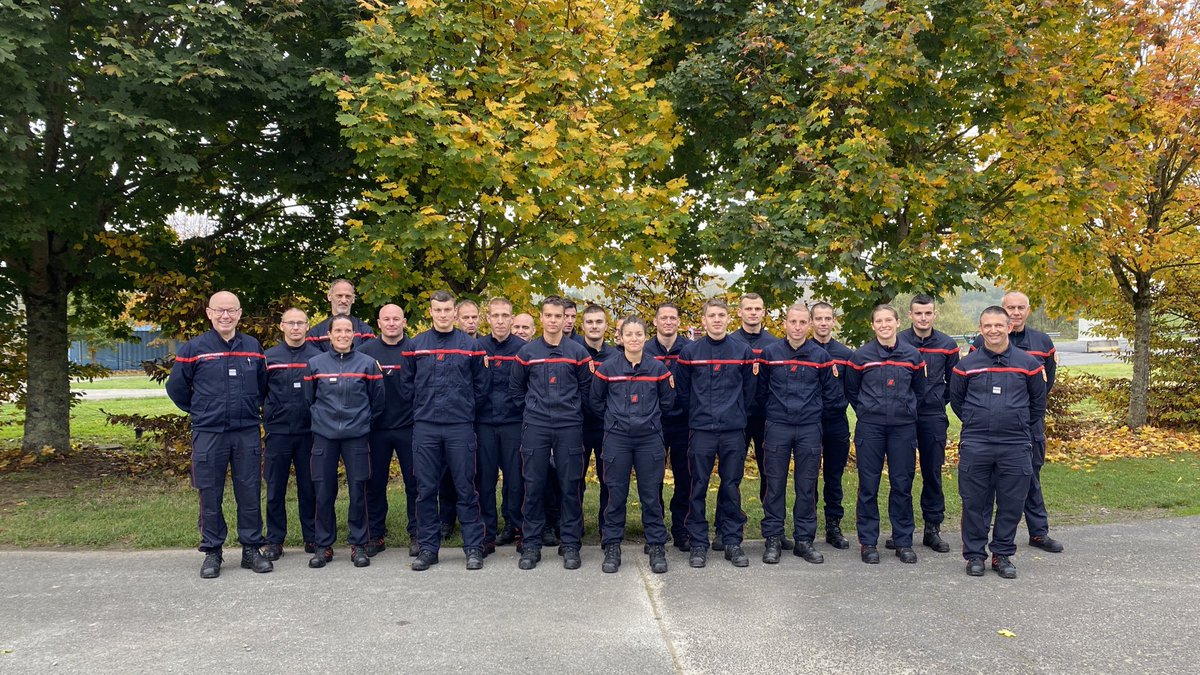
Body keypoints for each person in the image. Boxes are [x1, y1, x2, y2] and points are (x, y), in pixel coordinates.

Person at [167, 291, 273, 579]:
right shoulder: (194, 348)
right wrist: (201, 411)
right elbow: (176, 388)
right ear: (209, 313)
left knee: (249, 490)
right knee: (209, 492)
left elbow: (263, 385)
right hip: (209, 432)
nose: (226, 316)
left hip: (246, 431)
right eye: (220, 311)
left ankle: (251, 549)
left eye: (231, 310)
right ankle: (213, 550)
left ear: (239, 314)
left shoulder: (252, 346)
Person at [951, 306, 1046, 579]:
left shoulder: (1028, 364)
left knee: (1011, 501)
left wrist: (1016, 424)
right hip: (976, 442)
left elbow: (1038, 404)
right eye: (987, 326)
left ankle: (1002, 554)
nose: (993, 330)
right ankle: (975, 556)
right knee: (974, 502)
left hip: (1015, 443)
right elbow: (957, 401)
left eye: (998, 325)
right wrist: (974, 418)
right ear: (980, 330)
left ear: (1008, 327)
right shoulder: (966, 365)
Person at [402, 291, 489, 571]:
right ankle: (428, 548)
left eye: (447, 309)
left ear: (455, 312)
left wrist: (464, 408)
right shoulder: (416, 346)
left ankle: (473, 547)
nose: (442, 314)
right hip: (426, 427)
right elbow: (406, 386)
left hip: (459, 427)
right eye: (437, 310)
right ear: (431, 312)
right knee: (426, 490)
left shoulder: (470, 346)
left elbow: (481, 385)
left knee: (466, 488)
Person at [971, 291, 1064, 554]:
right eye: (1010, 307)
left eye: (1021, 307)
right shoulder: (981, 342)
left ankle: (1038, 532)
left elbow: (1044, 387)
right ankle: (982, 539)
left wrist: (1024, 416)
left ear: (1028, 309)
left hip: (1027, 424)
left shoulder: (1043, 342)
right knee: (986, 484)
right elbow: (965, 390)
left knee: (1030, 476)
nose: (1016, 312)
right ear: (1003, 310)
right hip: (987, 428)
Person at [510, 295, 593, 570]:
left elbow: (586, 389)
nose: (555, 321)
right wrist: (535, 411)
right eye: (549, 315)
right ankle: (531, 545)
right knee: (533, 485)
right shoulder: (527, 353)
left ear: (566, 319)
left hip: (569, 425)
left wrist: (570, 410)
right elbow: (517, 390)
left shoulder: (578, 353)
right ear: (541, 318)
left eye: (559, 316)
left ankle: (570, 543)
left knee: (570, 485)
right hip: (536, 426)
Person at [755, 303, 842, 564]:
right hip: (778, 426)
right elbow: (759, 393)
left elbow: (832, 396)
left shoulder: (821, 357)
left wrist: (811, 415)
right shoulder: (769, 354)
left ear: (809, 325)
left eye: (803, 322)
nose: (797, 327)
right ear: (784, 324)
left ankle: (804, 540)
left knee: (807, 486)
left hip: (808, 428)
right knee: (774, 484)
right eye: (793, 322)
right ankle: (773, 539)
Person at [588, 316, 675, 574]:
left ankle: (656, 545)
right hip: (618, 440)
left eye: (639, 334)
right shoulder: (607, 368)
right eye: (629, 334)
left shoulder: (658, 369)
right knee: (616, 495)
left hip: (649, 439)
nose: (634, 339)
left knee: (651, 495)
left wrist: (648, 422)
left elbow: (668, 403)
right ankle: (613, 545)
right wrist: (616, 422)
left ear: (645, 338)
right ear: (620, 337)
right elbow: (595, 402)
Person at [677, 298, 758, 568]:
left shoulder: (742, 351)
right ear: (703, 320)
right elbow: (684, 392)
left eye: (721, 315)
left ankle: (732, 540)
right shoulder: (690, 353)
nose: (716, 319)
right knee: (697, 485)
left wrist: (734, 413)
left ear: (728, 318)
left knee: (731, 486)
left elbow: (749, 392)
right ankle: (698, 542)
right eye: (711, 315)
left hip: (733, 430)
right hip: (701, 430)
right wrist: (699, 414)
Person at [845, 305, 926, 565]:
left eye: (888, 320)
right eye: (878, 321)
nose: (884, 325)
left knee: (902, 484)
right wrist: (869, 411)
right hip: (871, 427)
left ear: (897, 322)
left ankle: (903, 541)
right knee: (869, 485)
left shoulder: (913, 356)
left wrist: (905, 410)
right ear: (873, 326)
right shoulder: (861, 356)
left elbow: (920, 390)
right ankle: (868, 541)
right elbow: (852, 391)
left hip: (903, 428)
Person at [303, 315, 385, 568]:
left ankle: (358, 544)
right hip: (324, 437)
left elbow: (378, 402)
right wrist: (323, 421)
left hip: (357, 436)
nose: (342, 334)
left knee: (358, 490)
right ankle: (323, 545)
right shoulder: (315, 364)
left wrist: (362, 423)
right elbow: (310, 400)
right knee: (324, 491)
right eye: (337, 330)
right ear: (329, 334)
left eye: (347, 330)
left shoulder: (368, 364)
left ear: (354, 334)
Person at [895, 294, 960, 553]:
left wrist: (936, 402)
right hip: (901, 417)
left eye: (928, 313)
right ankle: (903, 530)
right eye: (918, 313)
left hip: (932, 416)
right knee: (903, 474)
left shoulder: (947, 344)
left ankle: (932, 529)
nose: (923, 318)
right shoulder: (897, 341)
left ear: (934, 314)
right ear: (910, 315)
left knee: (932, 473)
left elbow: (954, 384)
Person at [358, 304, 419, 558]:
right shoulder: (365, 352)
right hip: (376, 429)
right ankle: (375, 535)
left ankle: (418, 534)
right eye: (387, 319)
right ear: (378, 323)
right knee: (374, 484)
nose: (392, 323)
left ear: (404, 322)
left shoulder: (415, 349)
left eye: (396, 319)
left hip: (410, 427)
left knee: (416, 484)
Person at [261, 307, 322, 561]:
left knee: (309, 488)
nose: (296, 327)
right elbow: (258, 391)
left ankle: (312, 537)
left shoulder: (318, 357)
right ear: (282, 326)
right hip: (278, 432)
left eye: (300, 323)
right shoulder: (269, 357)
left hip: (309, 433)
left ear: (308, 326)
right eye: (291, 323)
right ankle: (275, 540)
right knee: (275, 489)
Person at [477, 297, 527, 549]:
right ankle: (486, 534)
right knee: (485, 480)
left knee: (516, 480)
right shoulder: (476, 346)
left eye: (504, 315)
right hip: (483, 422)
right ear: (488, 318)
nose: (499, 320)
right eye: (495, 315)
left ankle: (518, 529)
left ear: (511, 318)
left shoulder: (523, 349)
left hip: (513, 422)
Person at [730, 293, 781, 536]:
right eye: (748, 308)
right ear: (739, 312)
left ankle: (772, 528)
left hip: (766, 417)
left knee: (769, 472)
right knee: (732, 473)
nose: (753, 312)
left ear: (764, 312)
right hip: (736, 418)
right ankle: (729, 524)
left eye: (757, 308)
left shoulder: (775, 345)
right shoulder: (730, 343)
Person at [644, 302, 692, 550]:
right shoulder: (644, 349)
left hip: (684, 422)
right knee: (653, 478)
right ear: (655, 322)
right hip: (654, 423)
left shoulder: (690, 350)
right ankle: (655, 528)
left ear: (678, 322)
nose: (668, 322)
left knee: (685, 476)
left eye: (673, 318)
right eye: (664, 318)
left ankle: (681, 528)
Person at [810, 302, 854, 549]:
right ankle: (808, 525)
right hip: (809, 423)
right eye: (819, 318)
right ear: (812, 321)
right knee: (809, 476)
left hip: (836, 422)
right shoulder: (804, 350)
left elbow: (853, 388)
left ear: (833, 320)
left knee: (834, 476)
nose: (823, 323)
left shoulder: (846, 354)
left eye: (828, 318)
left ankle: (833, 525)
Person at [579, 304, 617, 536]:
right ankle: (574, 526)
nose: (594, 326)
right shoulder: (574, 352)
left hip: (607, 428)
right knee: (574, 480)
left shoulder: (615, 356)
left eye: (599, 322)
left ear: (606, 325)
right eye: (590, 322)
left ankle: (607, 527)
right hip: (578, 426)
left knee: (608, 480)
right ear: (582, 325)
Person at [306, 279, 374, 351]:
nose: (344, 300)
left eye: (348, 296)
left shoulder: (365, 331)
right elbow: (313, 359)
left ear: (353, 299)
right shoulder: (316, 333)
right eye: (339, 296)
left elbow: (369, 358)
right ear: (329, 296)